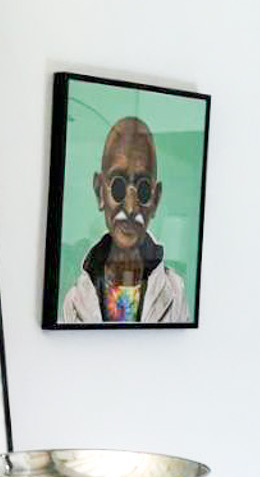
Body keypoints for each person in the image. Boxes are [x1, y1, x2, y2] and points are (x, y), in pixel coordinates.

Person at [59, 116, 189, 324]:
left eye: (143, 189)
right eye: (118, 187)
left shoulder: (175, 293)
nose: (130, 208)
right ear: (100, 191)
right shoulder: (76, 300)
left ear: (155, 199)